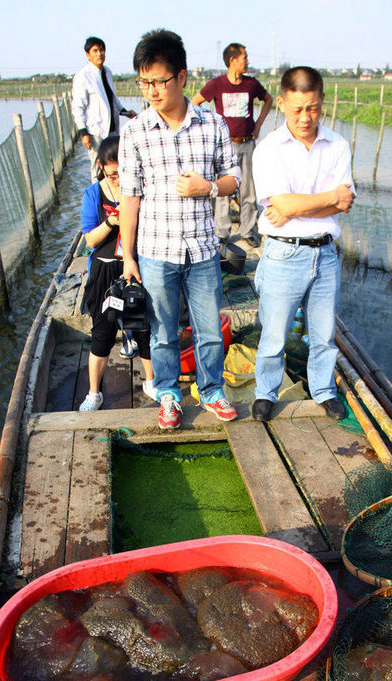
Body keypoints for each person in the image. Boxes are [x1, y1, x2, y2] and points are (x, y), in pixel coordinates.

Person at [118, 29, 241, 431]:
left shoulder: (212, 124)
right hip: (156, 251)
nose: (152, 90)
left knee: (209, 330)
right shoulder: (135, 132)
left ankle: (212, 391)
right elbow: (130, 198)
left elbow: (233, 178)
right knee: (162, 331)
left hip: (203, 250)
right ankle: (168, 393)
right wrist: (129, 257)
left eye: (159, 81)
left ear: (182, 77)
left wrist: (207, 187)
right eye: (145, 82)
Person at [251, 66, 355, 422]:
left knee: (324, 333)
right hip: (283, 252)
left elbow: (345, 202)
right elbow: (286, 206)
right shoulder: (269, 149)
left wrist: (295, 206)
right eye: (296, 109)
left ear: (322, 101)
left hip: (325, 253)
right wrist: (323, 200)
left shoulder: (338, 144)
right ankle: (265, 392)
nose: (305, 117)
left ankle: (324, 391)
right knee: (275, 333)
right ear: (280, 103)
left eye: (312, 107)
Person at [79, 136, 154, 412]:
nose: (119, 178)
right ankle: (94, 392)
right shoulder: (92, 195)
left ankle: (151, 381)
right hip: (105, 268)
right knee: (102, 331)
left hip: (134, 264)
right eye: (112, 173)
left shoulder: (140, 189)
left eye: (124, 171)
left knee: (143, 326)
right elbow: (90, 239)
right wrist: (113, 219)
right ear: (101, 167)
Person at [191, 43, 272, 248]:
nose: (248, 61)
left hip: (247, 143)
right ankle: (222, 232)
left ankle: (247, 231)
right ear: (232, 61)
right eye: (245, 58)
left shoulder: (251, 84)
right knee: (222, 189)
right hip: (224, 146)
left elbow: (268, 100)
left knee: (249, 189)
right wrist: (208, 126)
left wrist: (259, 123)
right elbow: (195, 102)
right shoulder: (216, 84)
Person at [72, 36, 137, 182]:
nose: (99, 54)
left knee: (116, 162)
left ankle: (115, 196)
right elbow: (78, 107)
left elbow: (111, 99)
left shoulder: (107, 72)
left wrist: (125, 112)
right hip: (96, 130)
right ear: (88, 55)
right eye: (95, 51)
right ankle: (98, 199)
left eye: (101, 50)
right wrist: (84, 133)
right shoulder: (83, 76)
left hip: (112, 128)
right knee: (98, 166)